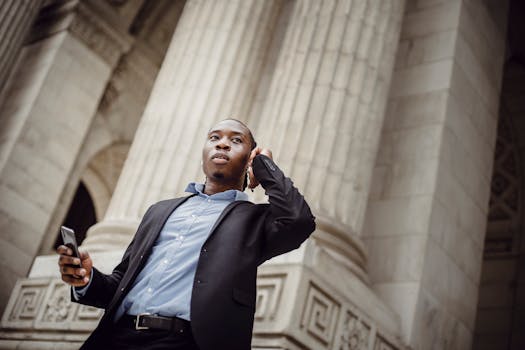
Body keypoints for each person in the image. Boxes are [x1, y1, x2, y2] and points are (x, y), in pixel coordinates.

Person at [57, 119, 315, 350]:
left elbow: (299, 221)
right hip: (114, 337)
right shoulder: (159, 211)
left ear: (249, 158)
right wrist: (86, 278)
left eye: (236, 140)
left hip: (184, 342)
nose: (222, 144)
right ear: (203, 152)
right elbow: (120, 284)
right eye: (214, 138)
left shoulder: (254, 220)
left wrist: (265, 165)